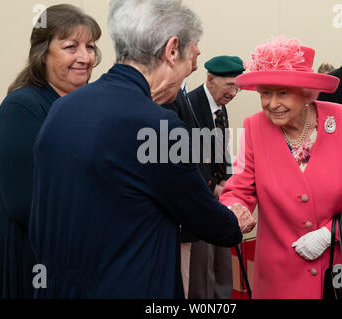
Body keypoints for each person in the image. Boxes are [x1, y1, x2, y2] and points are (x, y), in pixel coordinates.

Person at [28, 0, 255, 299]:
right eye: (192, 62)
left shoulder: (63, 107)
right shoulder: (157, 126)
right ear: (172, 50)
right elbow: (204, 217)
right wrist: (233, 222)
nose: (192, 71)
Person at [218, 36, 342, 299]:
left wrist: (328, 236)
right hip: (279, 274)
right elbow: (240, 188)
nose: (272, 103)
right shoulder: (254, 128)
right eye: (265, 93)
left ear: (307, 93)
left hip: (338, 267)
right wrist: (234, 208)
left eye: (282, 93)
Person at [0, 4, 102, 299]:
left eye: (90, 46)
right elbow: (27, 204)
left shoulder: (85, 105)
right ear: (43, 53)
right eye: (70, 46)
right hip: (33, 256)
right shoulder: (21, 107)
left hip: (78, 255)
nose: (85, 57)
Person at [187, 56, 245, 299]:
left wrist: (228, 184)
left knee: (222, 258)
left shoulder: (220, 106)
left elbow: (221, 149)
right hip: (198, 197)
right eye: (229, 85)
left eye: (238, 87)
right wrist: (212, 187)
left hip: (219, 195)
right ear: (210, 80)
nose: (233, 93)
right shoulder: (191, 104)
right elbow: (189, 156)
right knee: (201, 266)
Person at [161, 49, 201, 298]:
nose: (198, 51)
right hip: (176, 214)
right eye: (194, 45)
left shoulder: (182, 92)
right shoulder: (166, 97)